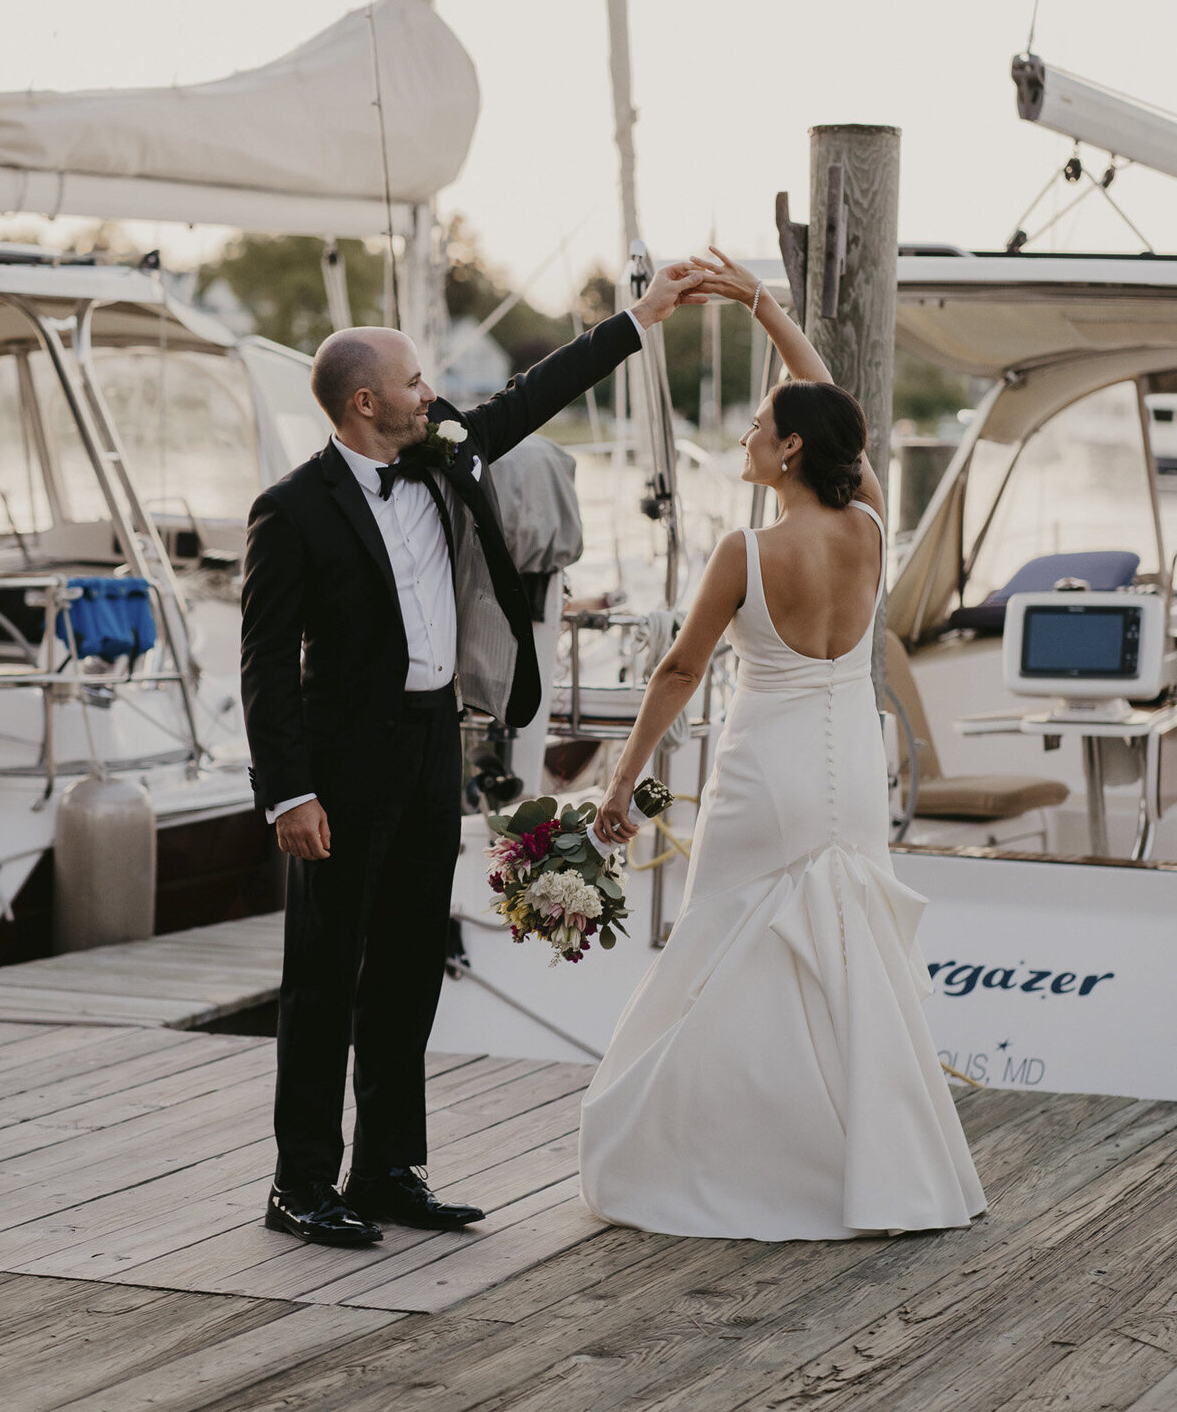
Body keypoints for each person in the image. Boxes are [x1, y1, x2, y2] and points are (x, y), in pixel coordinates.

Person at [241, 262, 705, 1247]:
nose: (431, 394)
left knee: (411, 960)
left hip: (428, 744)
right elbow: (265, 666)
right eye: (414, 381)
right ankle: (299, 1183)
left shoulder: (444, 452)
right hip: (340, 759)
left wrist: (640, 319)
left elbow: (532, 395)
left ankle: (387, 1169)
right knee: (324, 972)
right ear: (366, 402)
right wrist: (290, 791)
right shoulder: (293, 508)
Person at [578, 246, 986, 1241]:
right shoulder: (875, 529)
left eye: (761, 427)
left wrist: (621, 780)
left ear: (792, 451)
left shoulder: (745, 552)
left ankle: (724, 1160)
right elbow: (829, 399)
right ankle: (864, 1166)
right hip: (852, 780)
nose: (751, 435)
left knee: (722, 956)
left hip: (764, 778)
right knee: (847, 966)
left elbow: (678, 673)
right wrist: (762, 303)